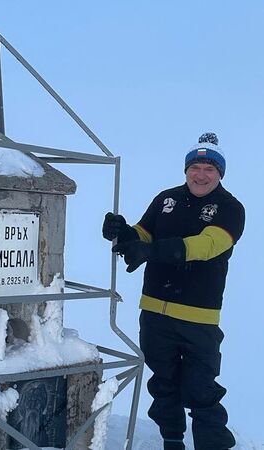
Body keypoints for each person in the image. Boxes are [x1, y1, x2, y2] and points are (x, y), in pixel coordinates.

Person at [102, 132, 245, 450]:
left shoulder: (230, 208)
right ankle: (172, 441)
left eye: (210, 168)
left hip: (199, 318)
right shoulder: (166, 199)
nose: (202, 174)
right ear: (186, 170)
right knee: (163, 384)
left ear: (220, 173)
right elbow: (143, 232)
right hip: (154, 314)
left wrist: (149, 251)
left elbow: (207, 246)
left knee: (201, 389)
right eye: (196, 166)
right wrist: (123, 231)